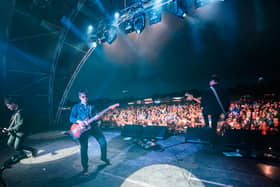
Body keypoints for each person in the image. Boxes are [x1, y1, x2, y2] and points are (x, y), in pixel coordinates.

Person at [69, 90, 110, 175]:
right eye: (83, 97)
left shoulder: (92, 106)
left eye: (86, 96)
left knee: (103, 143)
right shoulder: (76, 107)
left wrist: (97, 117)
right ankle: (85, 168)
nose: (85, 98)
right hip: (82, 130)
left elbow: (95, 117)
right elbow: (71, 118)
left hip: (93, 127)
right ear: (80, 97)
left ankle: (104, 158)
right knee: (84, 149)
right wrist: (79, 121)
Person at [2, 97, 37, 161]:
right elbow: (13, 122)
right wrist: (7, 129)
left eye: (8, 105)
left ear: (13, 103)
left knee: (17, 146)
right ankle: (22, 154)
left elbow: (20, 125)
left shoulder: (21, 112)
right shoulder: (15, 112)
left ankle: (33, 150)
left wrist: (9, 129)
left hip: (21, 132)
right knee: (9, 143)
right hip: (14, 131)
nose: (8, 107)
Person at [200, 75, 229, 145]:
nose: (209, 82)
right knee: (215, 125)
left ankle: (207, 126)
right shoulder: (224, 89)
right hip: (220, 111)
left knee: (204, 112)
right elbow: (227, 101)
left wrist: (203, 106)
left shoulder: (208, 90)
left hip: (210, 110)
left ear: (213, 81)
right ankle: (214, 140)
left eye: (210, 81)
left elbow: (203, 102)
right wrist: (225, 110)